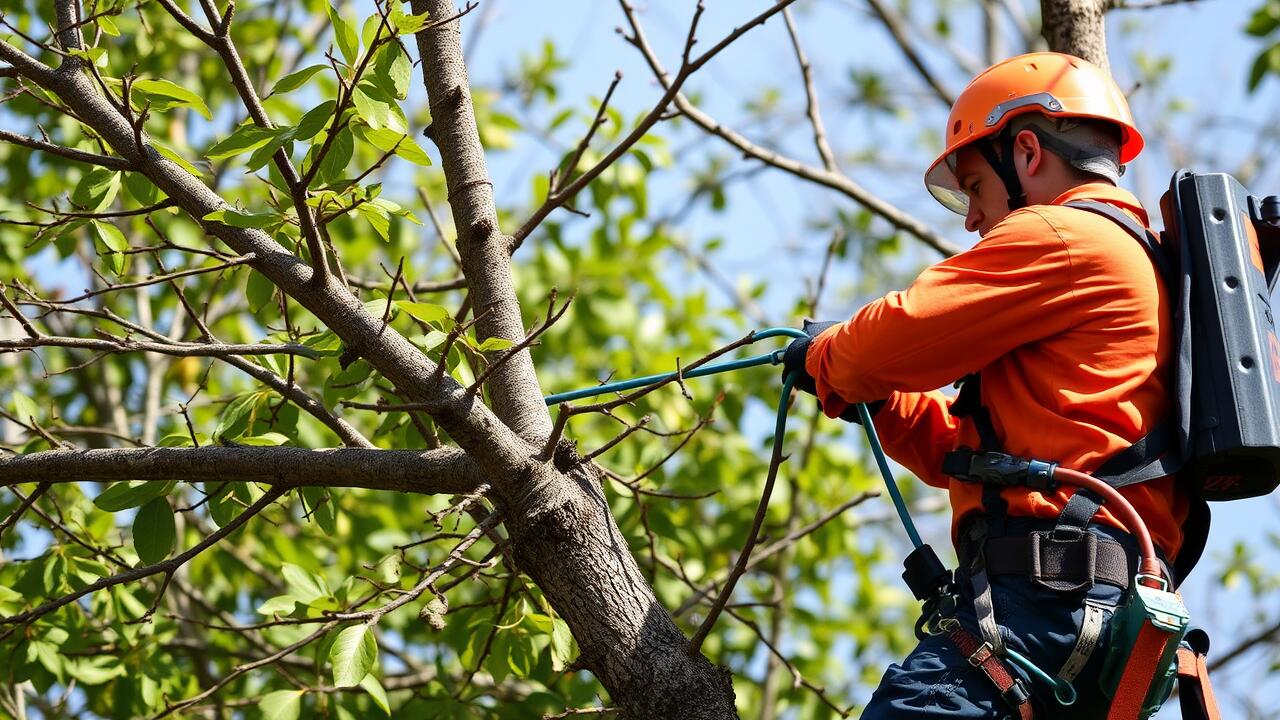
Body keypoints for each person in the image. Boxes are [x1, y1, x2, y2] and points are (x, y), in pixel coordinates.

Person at [784, 52, 1191, 719]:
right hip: (1095, 627)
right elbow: (972, 457)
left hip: (1041, 605)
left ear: (1026, 152)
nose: (971, 217)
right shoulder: (1142, 266)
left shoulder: (1064, 236)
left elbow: (887, 340)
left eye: (973, 185)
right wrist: (882, 403)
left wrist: (829, 356)